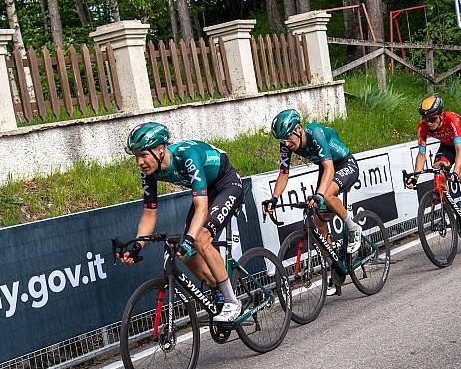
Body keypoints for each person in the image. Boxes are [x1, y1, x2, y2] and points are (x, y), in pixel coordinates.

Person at [117, 122, 244, 322]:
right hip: (207, 192)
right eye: (136, 157)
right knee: (185, 254)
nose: (139, 162)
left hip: (227, 184)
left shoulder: (187, 156)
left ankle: (232, 301)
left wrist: (190, 239)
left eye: (143, 155)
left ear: (160, 150)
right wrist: (137, 246)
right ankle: (218, 288)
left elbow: (201, 207)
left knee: (200, 239)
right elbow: (149, 214)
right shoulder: (149, 172)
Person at [263, 109, 361, 295]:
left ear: (299, 128)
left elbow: (329, 167)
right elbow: (283, 174)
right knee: (318, 220)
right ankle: (336, 266)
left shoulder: (315, 133)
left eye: (287, 138)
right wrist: (274, 198)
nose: (286, 143)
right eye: (282, 140)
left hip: (344, 164)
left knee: (327, 195)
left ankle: (354, 228)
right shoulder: (286, 145)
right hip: (326, 169)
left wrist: (320, 194)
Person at [406, 95, 461, 230]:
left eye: (432, 119)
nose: (429, 123)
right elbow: (422, 154)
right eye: (425, 119)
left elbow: (459, 149)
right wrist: (415, 177)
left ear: (440, 115)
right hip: (447, 146)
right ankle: (448, 212)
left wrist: (456, 172)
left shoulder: (452, 120)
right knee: (437, 170)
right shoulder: (423, 126)